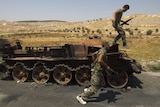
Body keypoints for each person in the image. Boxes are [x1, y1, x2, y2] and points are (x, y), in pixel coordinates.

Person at [76, 40, 114, 105]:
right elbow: (99, 60)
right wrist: (107, 67)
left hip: (97, 69)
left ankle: (88, 90)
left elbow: (93, 54)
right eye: (108, 45)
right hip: (97, 71)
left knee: (102, 83)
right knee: (95, 88)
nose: (109, 46)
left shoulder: (100, 50)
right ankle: (81, 97)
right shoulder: (103, 51)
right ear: (105, 46)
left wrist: (94, 62)